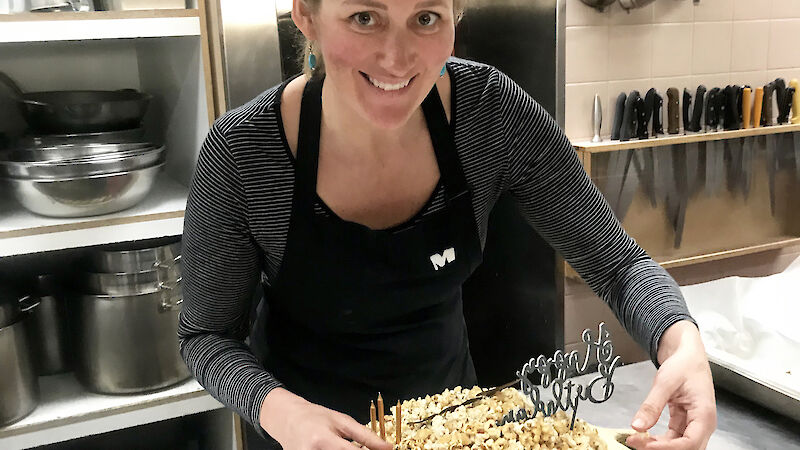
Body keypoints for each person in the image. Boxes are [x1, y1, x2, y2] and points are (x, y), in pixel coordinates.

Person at [178, 0, 717, 449]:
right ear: (307, 15)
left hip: (457, 432)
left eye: (427, 17)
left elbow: (617, 262)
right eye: (365, 17)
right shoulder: (245, 154)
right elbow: (205, 336)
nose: (396, 58)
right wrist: (283, 415)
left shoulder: (491, 114)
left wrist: (679, 338)